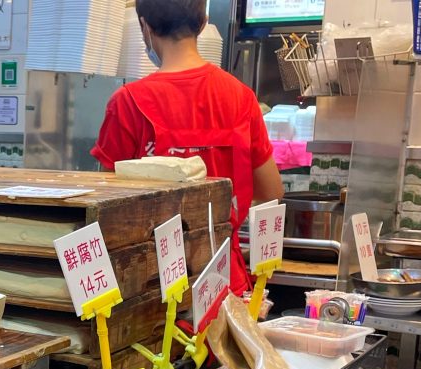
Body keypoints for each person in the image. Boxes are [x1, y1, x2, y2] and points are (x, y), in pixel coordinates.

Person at [91, 0, 284, 296]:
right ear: (204, 22)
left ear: (145, 27)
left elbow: (105, 208)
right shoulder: (241, 98)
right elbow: (271, 192)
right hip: (224, 281)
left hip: (154, 286)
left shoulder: (128, 102)